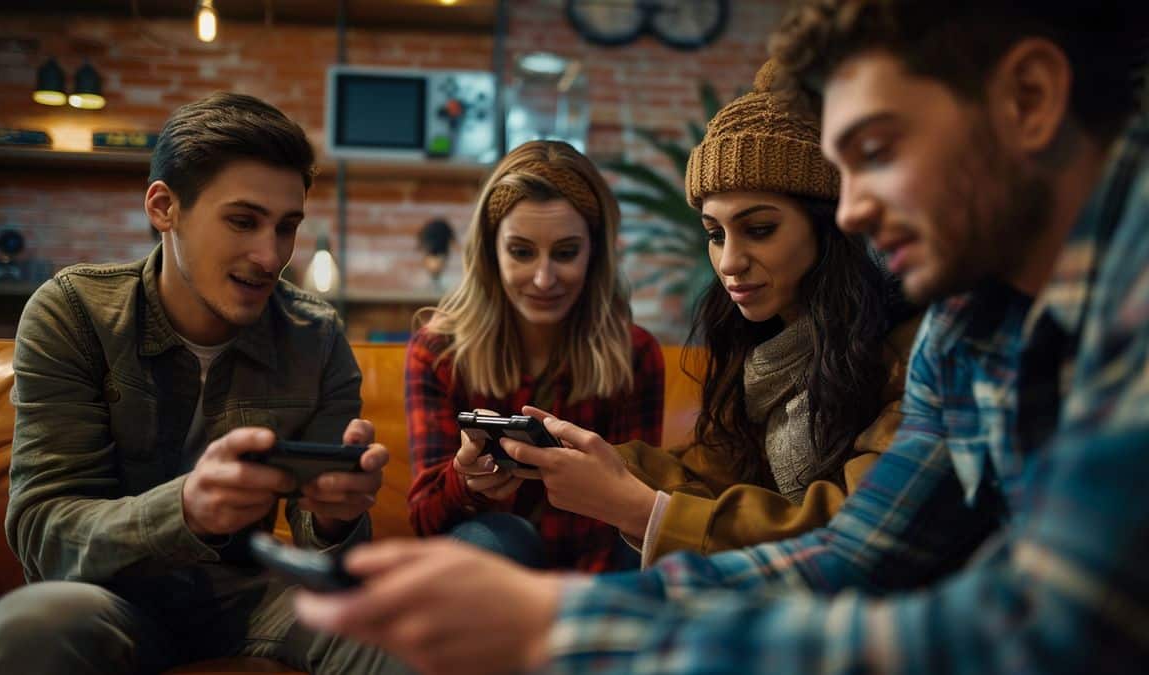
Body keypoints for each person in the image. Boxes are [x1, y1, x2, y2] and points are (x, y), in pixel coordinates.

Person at [291, 2, 1149, 673]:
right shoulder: (967, 325)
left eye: (878, 152)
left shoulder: (1117, 290)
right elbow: (858, 556)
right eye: (713, 230)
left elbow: (1040, 634)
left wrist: (571, 618)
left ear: (1029, 100)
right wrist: (568, 588)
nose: (852, 211)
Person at [0, 92, 407, 674]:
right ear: (164, 207)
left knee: (403, 625)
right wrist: (186, 509)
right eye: (243, 221)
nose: (270, 254)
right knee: (31, 627)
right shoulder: (73, 313)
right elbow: (44, 535)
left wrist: (335, 517)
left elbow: (332, 560)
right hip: (107, 598)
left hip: (249, 598)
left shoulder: (316, 333)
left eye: (287, 227)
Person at [503, 61, 921, 568]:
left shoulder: (909, 353)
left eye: (760, 228)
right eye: (715, 234)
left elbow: (859, 533)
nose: (728, 262)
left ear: (833, 227)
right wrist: (593, 461)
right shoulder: (762, 350)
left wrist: (639, 507)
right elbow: (710, 474)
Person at [405, 139, 665, 571]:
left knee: (641, 539)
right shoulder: (437, 352)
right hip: (492, 582)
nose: (544, 279)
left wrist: (569, 613)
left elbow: (633, 518)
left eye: (565, 253)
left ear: (594, 252)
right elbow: (424, 520)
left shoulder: (633, 354)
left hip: (596, 578)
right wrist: (465, 481)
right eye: (521, 252)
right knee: (498, 536)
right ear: (491, 250)